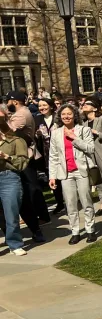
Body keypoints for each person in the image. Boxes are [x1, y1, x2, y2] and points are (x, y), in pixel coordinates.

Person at [48, 105, 97, 244]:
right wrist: (52, 176)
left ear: (74, 115)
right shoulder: (56, 133)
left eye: (69, 114)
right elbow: (53, 156)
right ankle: (75, 231)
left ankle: (90, 230)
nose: (66, 117)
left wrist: (74, 138)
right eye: (63, 114)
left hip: (81, 171)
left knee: (86, 201)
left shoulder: (84, 130)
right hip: (65, 173)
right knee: (70, 203)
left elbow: (90, 148)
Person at [6, 91, 48, 243]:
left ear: (14, 101)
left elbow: (8, 132)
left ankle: (38, 222)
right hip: (12, 160)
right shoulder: (20, 113)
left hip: (20, 157)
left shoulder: (21, 115)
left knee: (28, 190)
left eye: (8, 101)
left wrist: (4, 119)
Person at [0, 105, 29, 255]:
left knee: (11, 212)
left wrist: (6, 157)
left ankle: (15, 244)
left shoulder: (16, 140)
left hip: (8, 177)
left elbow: (23, 163)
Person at [35, 98, 64, 214]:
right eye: (40, 106)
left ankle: (70, 199)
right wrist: (36, 135)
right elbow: (35, 137)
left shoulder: (58, 117)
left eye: (44, 105)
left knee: (64, 177)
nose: (42, 108)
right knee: (53, 178)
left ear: (51, 106)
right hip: (46, 153)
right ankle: (60, 203)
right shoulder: (37, 119)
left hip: (60, 150)